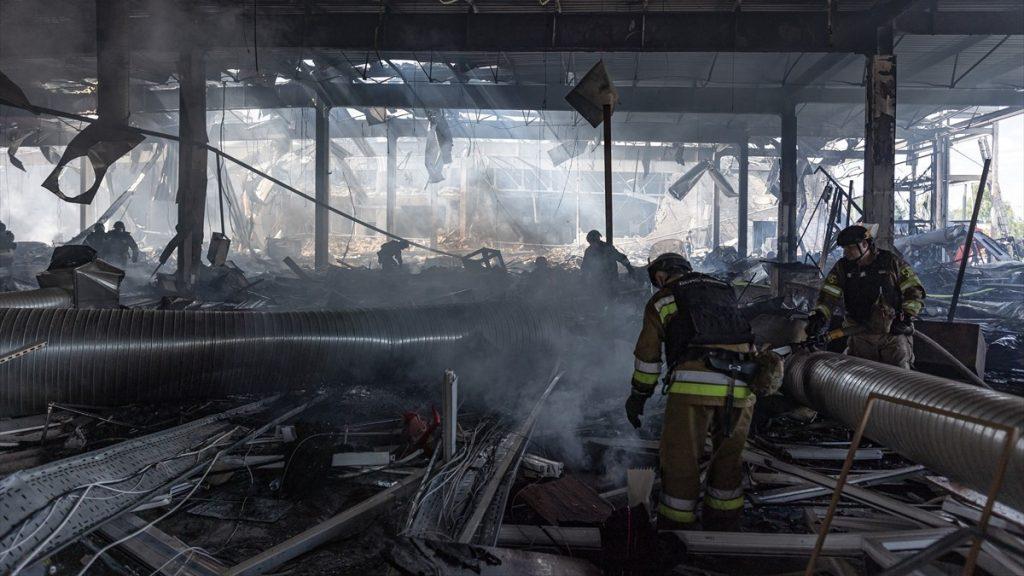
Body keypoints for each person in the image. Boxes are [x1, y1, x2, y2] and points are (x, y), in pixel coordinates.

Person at [626, 253, 757, 531]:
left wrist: (638, 396)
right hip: (743, 382)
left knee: (681, 459)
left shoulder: (662, 299)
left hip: (694, 383)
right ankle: (724, 527)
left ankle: (676, 530)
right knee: (728, 457)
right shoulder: (722, 289)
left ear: (661, 276)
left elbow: (648, 358)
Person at [806, 224, 925, 370]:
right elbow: (829, 294)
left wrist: (906, 317)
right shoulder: (843, 267)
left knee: (899, 384)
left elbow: (914, 289)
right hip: (859, 336)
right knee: (857, 385)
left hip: (892, 337)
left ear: (864, 244)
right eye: (844, 248)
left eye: (850, 248)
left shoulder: (890, 262)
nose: (846, 252)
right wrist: (820, 315)